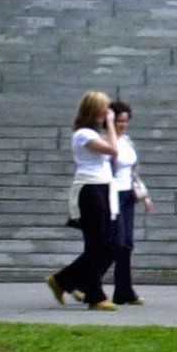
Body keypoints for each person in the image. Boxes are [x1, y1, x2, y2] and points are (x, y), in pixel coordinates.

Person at [46, 91, 120, 311]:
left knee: (110, 245)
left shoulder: (95, 134)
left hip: (104, 187)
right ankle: (94, 295)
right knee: (97, 244)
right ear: (93, 111)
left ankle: (64, 280)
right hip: (90, 188)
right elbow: (113, 150)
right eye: (103, 109)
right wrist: (110, 124)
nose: (106, 113)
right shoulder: (83, 134)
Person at [107, 99, 152, 305]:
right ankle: (75, 280)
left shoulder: (127, 141)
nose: (123, 125)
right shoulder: (106, 141)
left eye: (126, 121)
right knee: (118, 244)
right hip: (111, 194)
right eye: (119, 121)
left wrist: (144, 195)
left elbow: (133, 171)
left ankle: (123, 290)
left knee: (127, 244)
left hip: (127, 194)